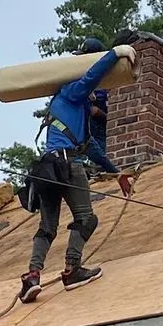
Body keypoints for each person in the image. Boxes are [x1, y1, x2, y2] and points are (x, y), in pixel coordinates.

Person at [19, 41, 137, 303]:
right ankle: (72, 270)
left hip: (47, 168)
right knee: (86, 219)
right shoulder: (72, 93)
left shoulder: (71, 108)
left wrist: (117, 174)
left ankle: (32, 277)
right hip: (67, 165)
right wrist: (116, 53)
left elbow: (92, 148)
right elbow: (92, 76)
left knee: (47, 227)